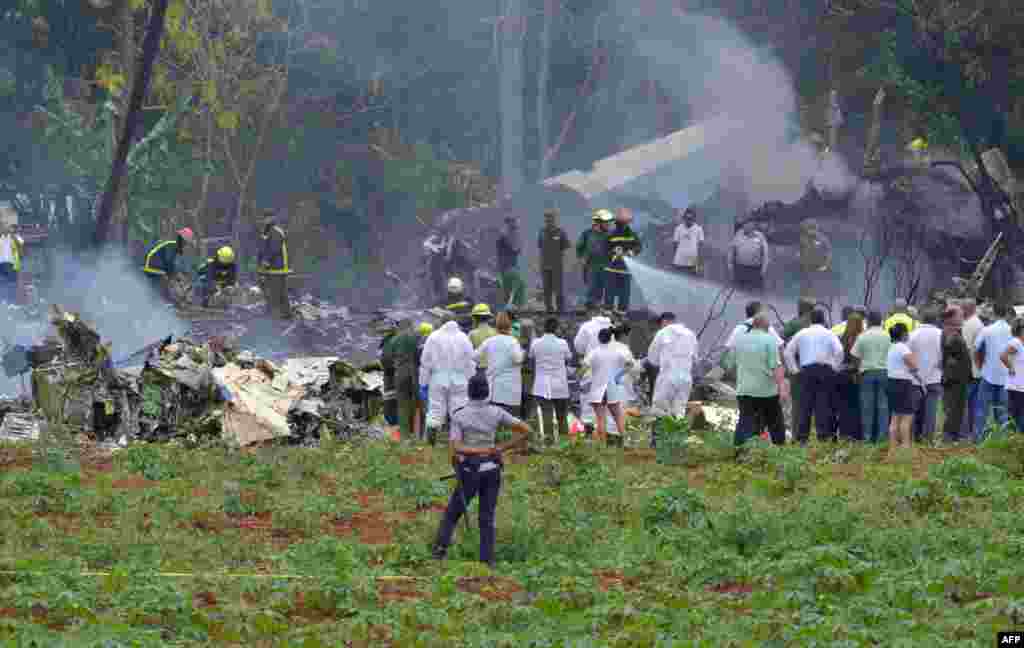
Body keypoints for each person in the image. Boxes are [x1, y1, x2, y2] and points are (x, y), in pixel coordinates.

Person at [431, 373, 529, 567]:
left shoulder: (459, 415)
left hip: (469, 471)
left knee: (453, 513)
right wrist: (500, 448)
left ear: (468, 392)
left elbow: (455, 447)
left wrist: (472, 454)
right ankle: (487, 560)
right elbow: (526, 430)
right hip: (492, 470)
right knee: (487, 517)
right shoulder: (496, 412)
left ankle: (439, 552)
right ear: (487, 392)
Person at [784, 309, 843, 444]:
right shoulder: (829, 333)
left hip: (806, 371)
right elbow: (839, 351)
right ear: (823, 320)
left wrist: (794, 370)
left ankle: (802, 439)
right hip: (825, 370)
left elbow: (788, 352)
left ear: (810, 320)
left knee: (805, 405)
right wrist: (834, 366)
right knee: (823, 405)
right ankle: (823, 437)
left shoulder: (802, 333)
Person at [733, 311, 789, 447]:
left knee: (745, 422)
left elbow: (730, 362)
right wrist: (782, 387)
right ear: (766, 326)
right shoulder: (769, 340)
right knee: (775, 422)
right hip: (766, 391)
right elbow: (775, 366)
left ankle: (738, 450)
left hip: (744, 390)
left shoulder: (740, 340)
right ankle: (780, 449)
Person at [419, 318, 476, 446]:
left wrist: (423, 383)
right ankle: (456, 442)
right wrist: (470, 378)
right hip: (460, 379)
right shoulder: (463, 337)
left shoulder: (433, 337)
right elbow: (470, 361)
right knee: (458, 410)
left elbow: (425, 362)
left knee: (435, 410)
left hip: (438, 379)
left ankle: (430, 443)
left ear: (441, 323)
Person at [646, 312, 698, 448]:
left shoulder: (662, 333)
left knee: (660, 409)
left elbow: (652, 359)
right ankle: (676, 442)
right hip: (686, 378)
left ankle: (657, 442)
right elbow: (695, 358)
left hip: (668, 376)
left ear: (663, 322)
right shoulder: (690, 334)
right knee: (679, 410)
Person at [581, 327, 633, 444]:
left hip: (597, 388)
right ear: (611, 338)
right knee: (618, 416)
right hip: (612, 387)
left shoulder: (594, 352)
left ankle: (602, 444)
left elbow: (584, 367)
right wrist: (618, 375)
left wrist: (578, 378)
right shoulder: (617, 351)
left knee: (600, 418)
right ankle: (625, 441)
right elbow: (630, 364)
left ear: (599, 338)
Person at [973, 302, 1013, 442]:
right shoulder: (1012, 330)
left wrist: (979, 366)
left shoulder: (987, 330)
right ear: (1007, 313)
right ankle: (1002, 441)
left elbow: (976, 348)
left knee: (982, 410)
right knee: (1002, 412)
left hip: (988, 373)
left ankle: (978, 439)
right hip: (1006, 375)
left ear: (993, 313)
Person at [851, 310, 891, 443]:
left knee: (867, 406)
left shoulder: (863, 336)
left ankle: (867, 437)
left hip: (867, 373)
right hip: (884, 372)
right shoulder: (887, 336)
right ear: (881, 321)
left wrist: (857, 369)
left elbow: (854, 355)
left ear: (868, 321)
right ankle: (882, 437)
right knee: (883, 406)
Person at [530, 317, 572, 445]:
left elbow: (531, 356)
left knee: (546, 415)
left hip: (542, 386)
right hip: (560, 385)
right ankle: (565, 444)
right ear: (557, 329)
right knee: (562, 417)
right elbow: (568, 357)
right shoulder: (562, 343)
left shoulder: (536, 343)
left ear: (544, 328)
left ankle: (549, 444)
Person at [475, 313, 525, 418]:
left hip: (493, 388)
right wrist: (523, 352)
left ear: (496, 327)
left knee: (494, 419)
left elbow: (474, 356)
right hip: (510, 388)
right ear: (509, 327)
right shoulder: (513, 342)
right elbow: (518, 359)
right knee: (511, 420)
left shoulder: (489, 341)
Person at [573, 308, 612, 436]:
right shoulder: (613, 326)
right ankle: (607, 435)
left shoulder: (587, 327)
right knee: (608, 406)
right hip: (610, 373)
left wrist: (578, 377)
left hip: (591, 373)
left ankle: (589, 433)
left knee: (588, 404)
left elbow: (579, 347)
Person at [908, 309, 943, 444]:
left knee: (914, 411)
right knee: (930, 412)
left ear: (921, 319)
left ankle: (914, 438)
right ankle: (928, 440)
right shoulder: (941, 335)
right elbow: (945, 357)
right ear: (936, 320)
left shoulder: (912, 335)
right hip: (934, 379)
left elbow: (907, 356)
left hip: (915, 379)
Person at [887, 323, 922, 456]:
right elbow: (914, 365)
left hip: (891, 382)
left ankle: (892, 448)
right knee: (906, 417)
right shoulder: (903, 348)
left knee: (895, 417)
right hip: (903, 384)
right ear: (903, 334)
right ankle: (906, 447)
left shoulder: (892, 347)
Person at [941, 305, 972, 443]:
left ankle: (955, 436)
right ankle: (949, 437)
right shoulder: (949, 333)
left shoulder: (954, 332)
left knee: (958, 408)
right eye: (960, 315)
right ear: (952, 318)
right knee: (953, 408)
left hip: (958, 377)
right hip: (954, 378)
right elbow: (949, 356)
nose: (962, 317)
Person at [603, 207, 641, 312]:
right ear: (618, 222)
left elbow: (638, 247)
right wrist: (614, 254)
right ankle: (608, 312)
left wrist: (630, 252)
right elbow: (604, 250)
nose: (625, 224)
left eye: (626, 222)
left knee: (624, 293)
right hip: (611, 269)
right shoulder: (610, 235)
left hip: (626, 270)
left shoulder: (632, 235)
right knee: (610, 292)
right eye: (623, 222)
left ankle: (621, 313)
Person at [835, 310, 865, 441]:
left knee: (843, 407)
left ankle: (844, 433)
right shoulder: (860, 339)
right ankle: (856, 435)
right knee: (856, 406)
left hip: (841, 375)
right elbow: (857, 360)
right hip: (854, 376)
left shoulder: (841, 338)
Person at [142, 227, 195, 301]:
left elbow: (170, 264)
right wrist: (174, 277)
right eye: (187, 244)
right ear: (183, 241)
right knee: (165, 284)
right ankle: (167, 301)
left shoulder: (173, 246)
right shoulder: (172, 246)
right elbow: (169, 262)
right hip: (152, 265)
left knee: (167, 282)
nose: (186, 246)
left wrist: (176, 275)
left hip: (154, 266)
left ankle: (164, 300)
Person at [257, 214, 292, 319]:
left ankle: (283, 314)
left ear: (272, 219)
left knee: (278, 292)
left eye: (268, 218)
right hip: (271, 268)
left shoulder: (276, 232)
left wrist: (265, 261)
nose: (265, 220)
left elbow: (273, 249)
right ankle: (281, 314)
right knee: (274, 291)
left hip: (278, 268)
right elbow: (263, 248)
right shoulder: (267, 232)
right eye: (264, 218)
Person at [577, 210, 613, 307]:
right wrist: (582, 258)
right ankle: (590, 308)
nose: (608, 224)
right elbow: (579, 247)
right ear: (598, 222)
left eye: (609, 222)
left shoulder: (610, 235)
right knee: (591, 288)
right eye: (606, 222)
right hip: (591, 266)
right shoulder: (587, 234)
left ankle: (600, 308)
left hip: (606, 266)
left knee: (603, 289)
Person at [537, 208, 570, 312]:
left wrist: (566, 263)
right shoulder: (541, 232)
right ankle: (549, 309)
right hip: (545, 265)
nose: (548, 220)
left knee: (559, 289)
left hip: (557, 266)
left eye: (551, 217)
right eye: (547, 218)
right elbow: (540, 247)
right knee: (546, 289)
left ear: (555, 219)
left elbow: (566, 248)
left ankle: (560, 310)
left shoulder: (561, 232)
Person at [961, 299, 984, 439]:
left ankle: (965, 433)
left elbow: (966, 348)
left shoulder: (969, 325)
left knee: (964, 403)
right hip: (977, 370)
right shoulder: (978, 323)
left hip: (969, 370)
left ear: (966, 309)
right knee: (974, 404)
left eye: (962, 308)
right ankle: (974, 432)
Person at [728, 219, 769, 290]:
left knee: (754, 292)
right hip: (740, 269)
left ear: (753, 225)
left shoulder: (760, 236)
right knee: (739, 291)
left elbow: (765, 254)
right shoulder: (738, 235)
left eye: (750, 224)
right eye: (745, 224)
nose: (747, 226)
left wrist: (764, 269)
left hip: (755, 270)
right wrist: (730, 266)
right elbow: (731, 251)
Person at [1000, 319, 1024, 435]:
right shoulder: (1016, 342)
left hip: (1020, 385)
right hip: (1016, 385)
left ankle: (1016, 436)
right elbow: (1003, 355)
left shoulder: (1021, 343)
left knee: (1018, 414)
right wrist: (1010, 367)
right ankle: (1014, 436)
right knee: (1016, 415)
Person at [411, 322, 434, 441]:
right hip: (432, 379)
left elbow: (415, 363)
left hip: (421, 379)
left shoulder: (418, 345)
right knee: (431, 408)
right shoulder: (433, 344)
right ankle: (428, 435)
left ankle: (419, 435)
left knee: (421, 408)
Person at [496, 215, 525, 308]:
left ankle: (512, 306)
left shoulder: (509, 234)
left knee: (511, 289)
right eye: (513, 222)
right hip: (507, 267)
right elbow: (515, 248)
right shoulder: (505, 235)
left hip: (510, 266)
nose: (515, 224)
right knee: (510, 289)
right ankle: (510, 307)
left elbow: (517, 249)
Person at [672, 207, 704, 275]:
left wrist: (699, 262)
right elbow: (675, 244)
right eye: (687, 218)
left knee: (690, 280)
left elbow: (701, 246)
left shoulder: (699, 229)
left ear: (694, 219)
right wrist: (675, 257)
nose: (689, 220)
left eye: (690, 218)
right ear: (684, 218)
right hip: (679, 261)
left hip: (692, 262)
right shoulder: (678, 228)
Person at [469, 303, 497, 377]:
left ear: (474, 318)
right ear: (488, 318)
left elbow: (468, 355)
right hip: (492, 371)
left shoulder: (472, 334)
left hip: (476, 372)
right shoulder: (495, 333)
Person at [0, 223, 24, 304]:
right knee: (3, 285)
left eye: (6, 228)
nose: (4, 230)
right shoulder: (1, 238)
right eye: (2, 228)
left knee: (12, 284)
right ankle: (5, 300)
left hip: (12, 264)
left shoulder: (14, 236)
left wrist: (13, 236)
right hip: (1, 264)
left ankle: (12, 299)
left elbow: (21, 243)